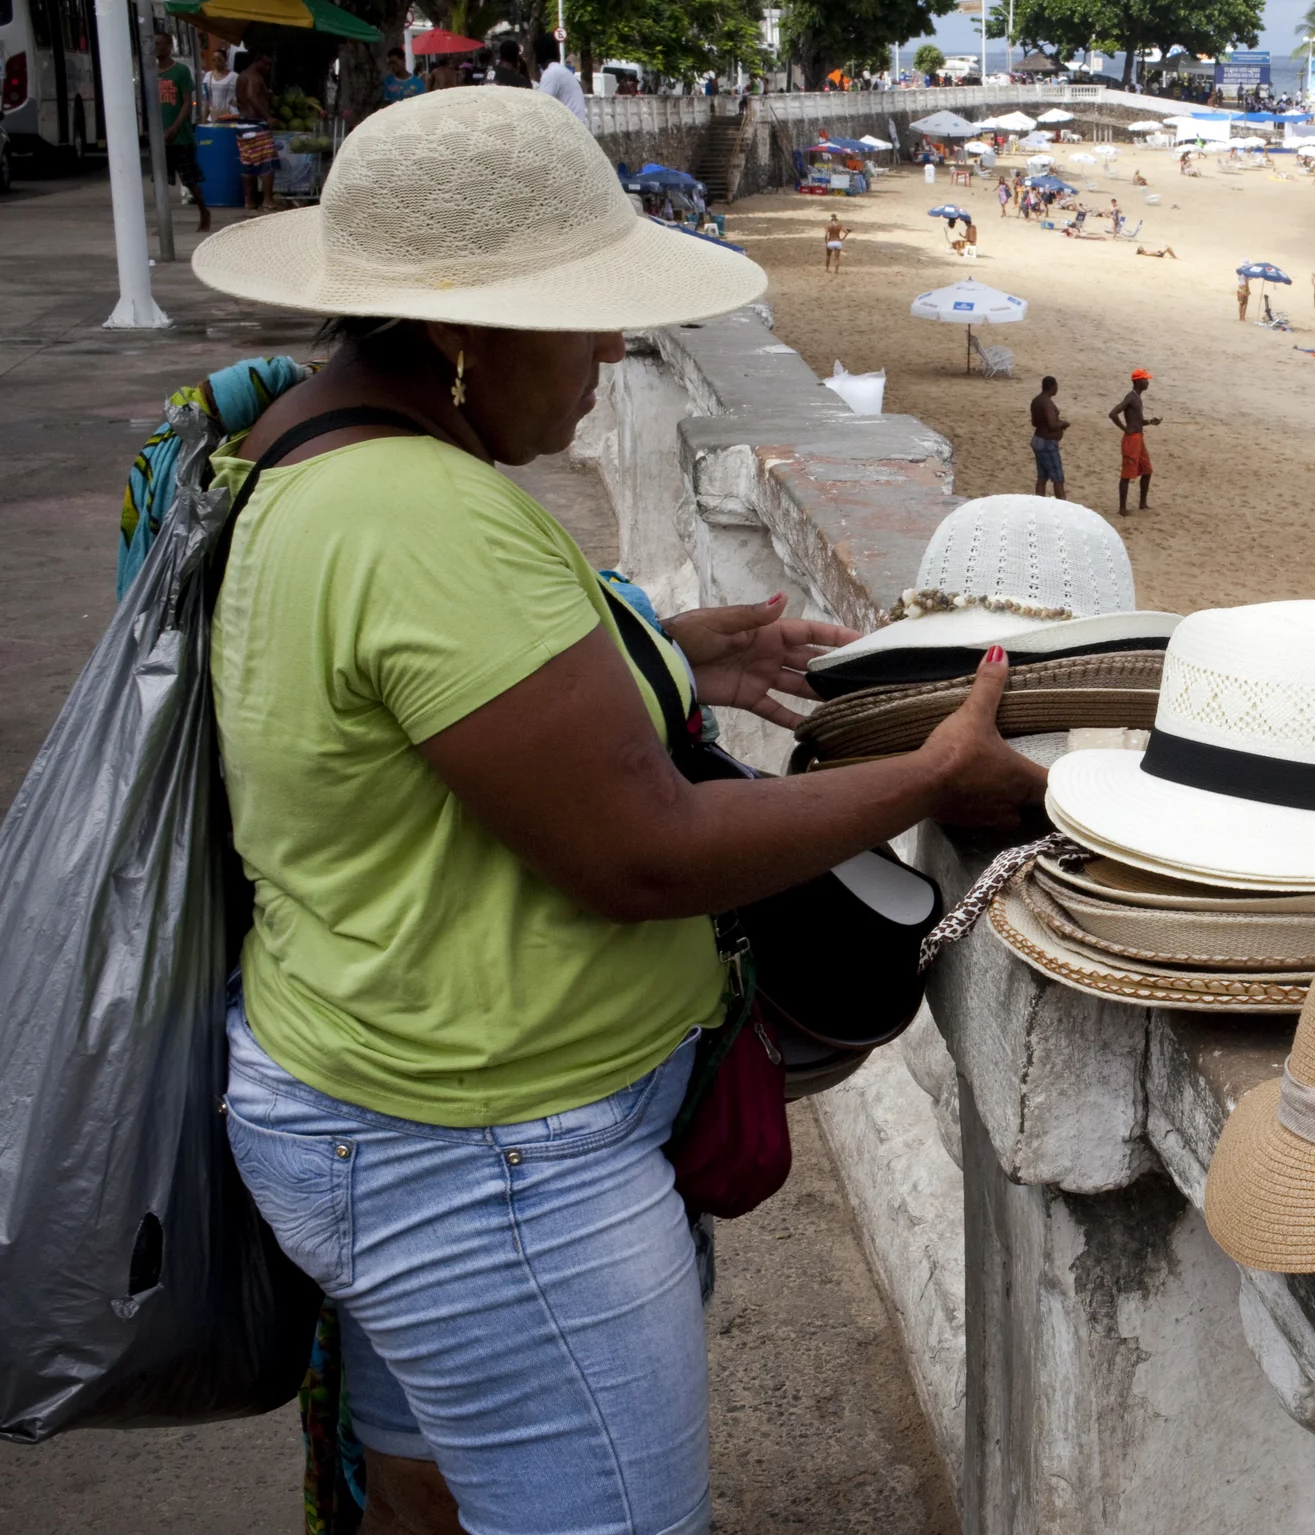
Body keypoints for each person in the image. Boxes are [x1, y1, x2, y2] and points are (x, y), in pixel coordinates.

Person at [190, 85, 1044, 1535]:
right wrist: (924, 775)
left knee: (426, 1493)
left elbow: (428, 708)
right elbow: (642, 852)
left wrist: (672, 652)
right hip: (487, 1156)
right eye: (588, 318)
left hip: (382, 1090)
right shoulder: (424, 519)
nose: (608, 353)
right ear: (469, 331)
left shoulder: (321, 442)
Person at [153, 32, 208, 231]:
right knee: (160, 180)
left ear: (168, 47)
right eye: (153, 44)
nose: (156, 47)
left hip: (180, 137)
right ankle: (163, 222)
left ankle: (204, 212)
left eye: (159, 44)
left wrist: (175, 128)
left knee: (189, 180)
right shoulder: (151, 72)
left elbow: (187, 103)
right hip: (159, 137)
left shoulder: (181, 71)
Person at [1111, 369, 1160, 514]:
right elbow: (1113, 413)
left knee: (1147, 470)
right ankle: (1122, 508)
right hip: (1132, 439)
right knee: (1127, 473)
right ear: (1138, 381)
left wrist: (1150, 422)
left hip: (1138, 437)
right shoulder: (1131, 397)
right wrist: (1124, 429)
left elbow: (1136, 421)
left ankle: (1142, 503)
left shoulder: (1136, 397)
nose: (1147, 382)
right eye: (1145, 379)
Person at [234, 50, 278, 212]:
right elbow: (251, 97)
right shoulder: (254, 76)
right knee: (267, 163)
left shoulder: (242, 76)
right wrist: (268, 117)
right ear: (256, 61)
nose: (268, 67)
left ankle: (249, 201)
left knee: (248, 163)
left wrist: (266, 95)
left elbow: (242, 99)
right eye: (266, 63)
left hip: (243, 125)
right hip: (256, 124)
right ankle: (267, 200)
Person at [531, 31, 587, 123]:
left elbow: (541, 106)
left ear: (539, 55)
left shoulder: (551, 73)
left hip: (569, 129)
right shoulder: (560, 71)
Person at [1030, 375, 1068, 498]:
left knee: (1042, 477)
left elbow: (1034, 423)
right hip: (1047, 442)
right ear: (1052, 387)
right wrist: (1062, 424)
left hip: (1037, 439)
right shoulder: (1048, 403)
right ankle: (1062, 506)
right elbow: (1052, 425)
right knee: (1058, 479)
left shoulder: (1036, 400)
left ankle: (1039, 502)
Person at [201, 44, 239, 119]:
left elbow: (240, 95)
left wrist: (236, 102)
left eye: (219, 60)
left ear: (225, 60)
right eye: (214, 60)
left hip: (230, 115)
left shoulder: (234, 77)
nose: (216, 62)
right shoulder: (208, 76)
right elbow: (207, 99)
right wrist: (204, 118)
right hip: (213, 115)